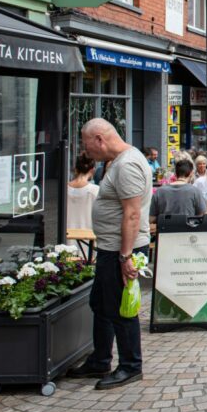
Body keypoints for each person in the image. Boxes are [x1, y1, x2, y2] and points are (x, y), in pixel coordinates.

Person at [69, 118, 151, 389]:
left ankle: (130, 365)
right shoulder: (115, 162)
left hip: (121, 249)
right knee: (101, 304)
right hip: (111, 248)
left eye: (86, 144)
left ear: (100, 140)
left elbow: (132, 213)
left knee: (120, 309)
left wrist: (126, 256)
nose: (85, 151)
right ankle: (100, 360)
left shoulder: (127, 165)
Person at [66, 152, 99, 240]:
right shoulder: (96, 190)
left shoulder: (63, 189)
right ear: (92, 170)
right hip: (88, 238)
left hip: (66, 237)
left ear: (75, 169)